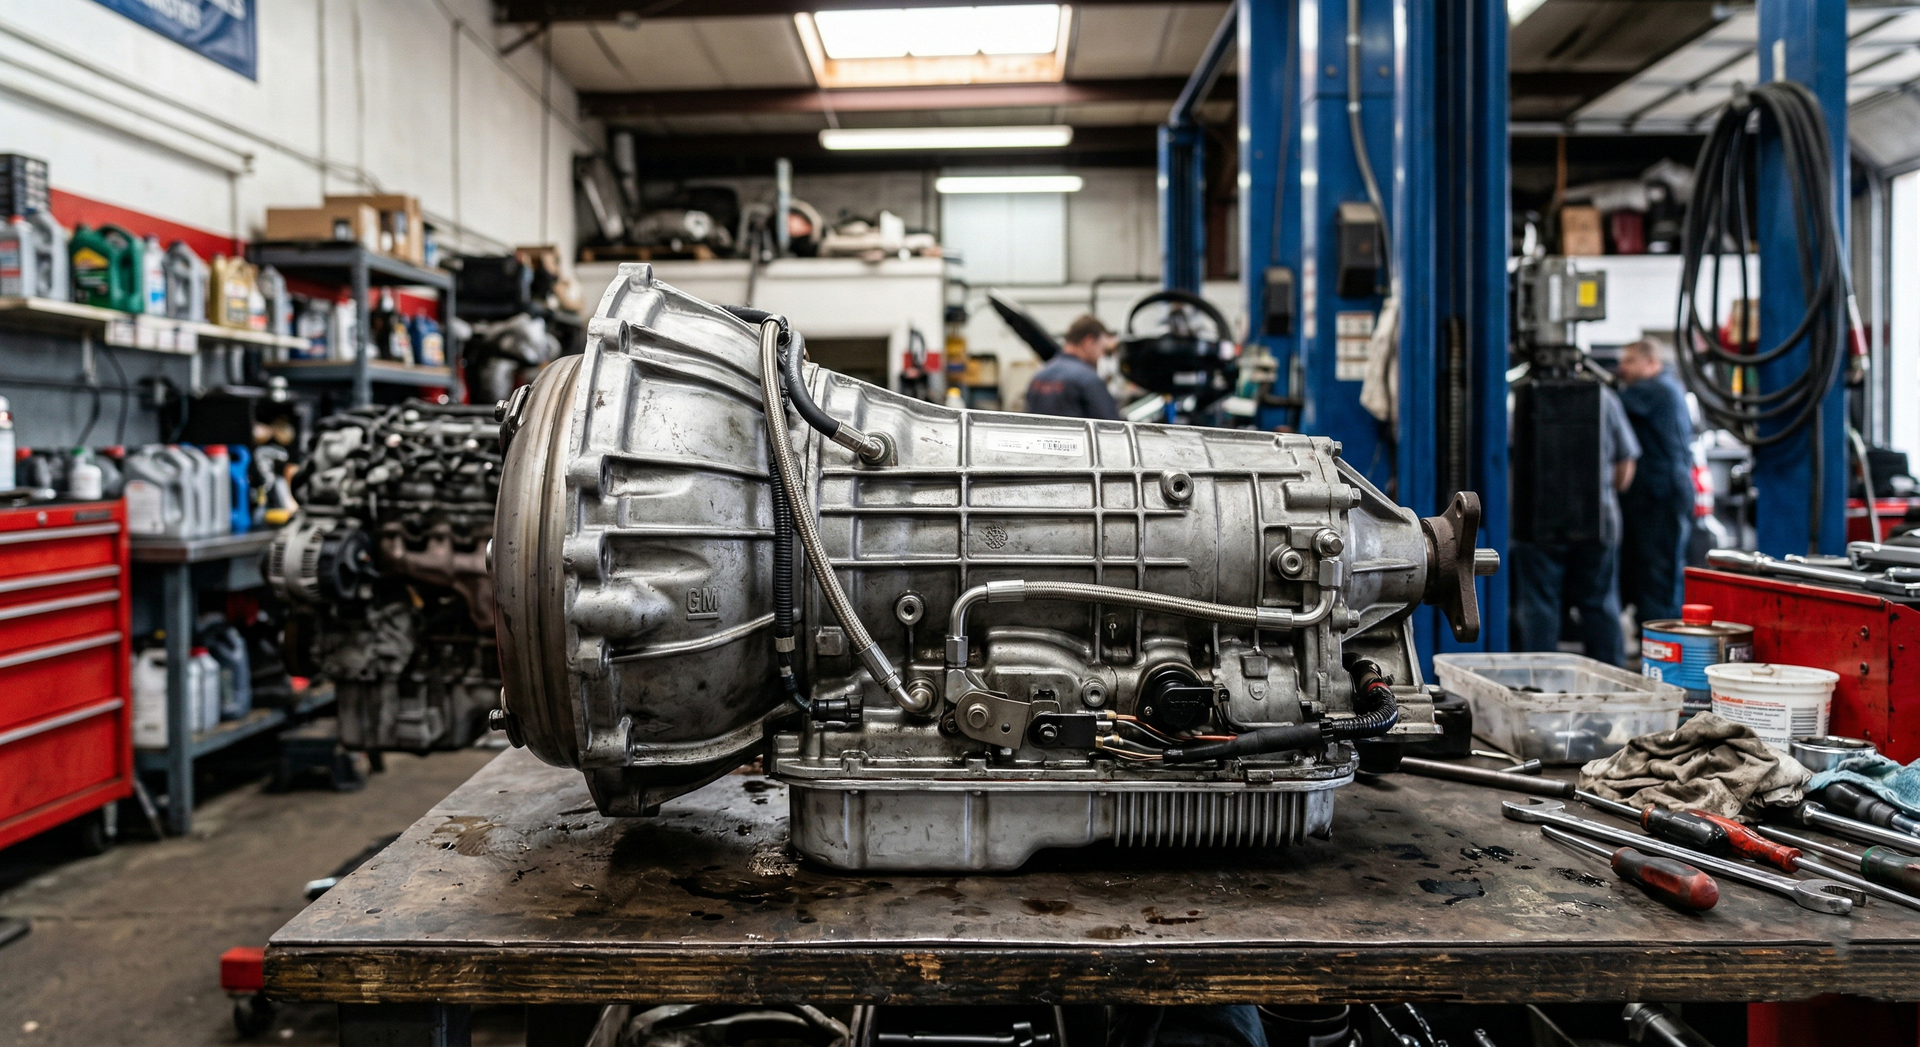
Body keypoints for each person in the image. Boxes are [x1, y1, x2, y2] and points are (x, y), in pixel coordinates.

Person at [1510, 380, 1641, 667]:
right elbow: (1626, 464)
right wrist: (1602, 495)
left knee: (1539, 608)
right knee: (1600, 605)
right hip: (1598, 522)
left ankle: (1538, 682)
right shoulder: (1605, 398)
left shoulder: (1517, 399)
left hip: (1535, 524)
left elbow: (1504, 458)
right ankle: (1611, 684)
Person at [1615, 339, 1695, 625]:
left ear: (1651, 363)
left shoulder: (1654, 390)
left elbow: (1610, 402)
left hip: (1660, 495)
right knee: (1653, 572)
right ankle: (1654, 638)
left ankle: (1661, 644)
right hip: (1659, 493)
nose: (1621, 368)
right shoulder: (1666, 388)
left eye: (1629, 361)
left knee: (1658, 574)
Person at [1024, 314, 1121, 420]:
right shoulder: (1089, 380)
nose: (1101, 356)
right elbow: (1111, 427)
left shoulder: (1039, 376)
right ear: (1089, 342)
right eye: (1103, 350)